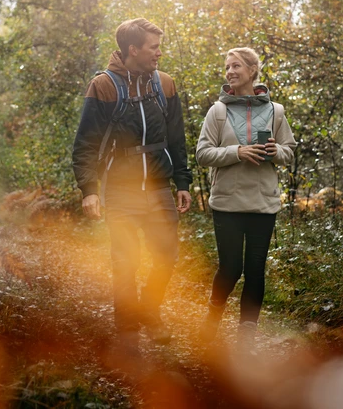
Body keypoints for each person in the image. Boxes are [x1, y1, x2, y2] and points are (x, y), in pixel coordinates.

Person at [72, 18, 192, 350]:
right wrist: (90, 190)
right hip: (121, 192)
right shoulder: (104, 86)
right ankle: (127, 332)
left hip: (158, 188)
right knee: (125, 261)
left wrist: (182, 181)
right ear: (133, 49)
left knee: (166, 254)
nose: (159, 53)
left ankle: (149, 312)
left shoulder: (164, 84)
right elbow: (85, 143)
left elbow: (177, 138)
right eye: (154, 48)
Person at [195, 47, 296, 348]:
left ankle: (245, 338)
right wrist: (236, 152)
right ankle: (212, 320)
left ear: (252, 70)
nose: (229, 72)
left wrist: (274, 151)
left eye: (236, 66)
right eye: (227, 67)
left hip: (263, 204)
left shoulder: (276, 111)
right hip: (227, 203)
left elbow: (288, 151)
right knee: (230, 269)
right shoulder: (218, 111)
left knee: (254, 269)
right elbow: (202, 154)